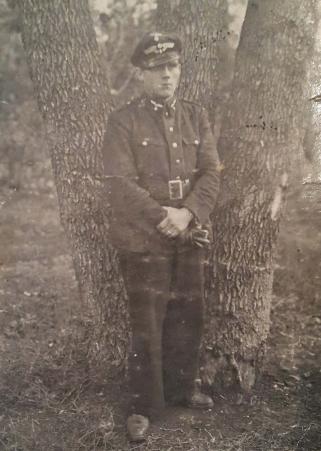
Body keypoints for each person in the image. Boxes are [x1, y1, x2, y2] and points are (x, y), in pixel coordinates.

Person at [102, 31, 221, 442]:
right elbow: (118, 182)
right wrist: (161, 217)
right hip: (143, 237)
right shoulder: (123, 121)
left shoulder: (195, 114)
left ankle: (182, 388)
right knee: (147, 323)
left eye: (172, 67)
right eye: (157, 69)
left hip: (188, 232)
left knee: (189, 313)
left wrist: (187, 213)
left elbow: (211, 172)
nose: (167, 75)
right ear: (140, 74)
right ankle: (144, 405)